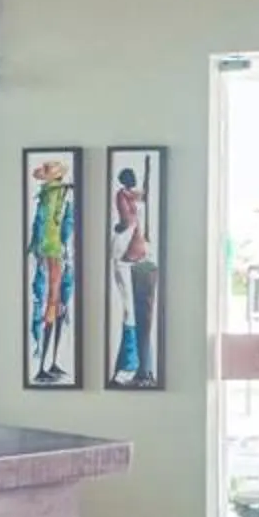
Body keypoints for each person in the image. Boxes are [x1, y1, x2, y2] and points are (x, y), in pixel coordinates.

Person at [112, 161, 159, 385]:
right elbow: (128, 220)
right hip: (130, 256)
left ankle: (137, 365)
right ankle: (131, 364)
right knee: (131, 312)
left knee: (137, 313)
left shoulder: (128, 196)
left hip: (133, 255)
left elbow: (129, 217)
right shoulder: (128, 196)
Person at [29, 161, 74, 382]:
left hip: (54, 251)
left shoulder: (52, 194)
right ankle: (44, 365)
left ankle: (50, 362)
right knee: (53, 302)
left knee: (57, 303)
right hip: (52, 251)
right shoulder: (53, 194)